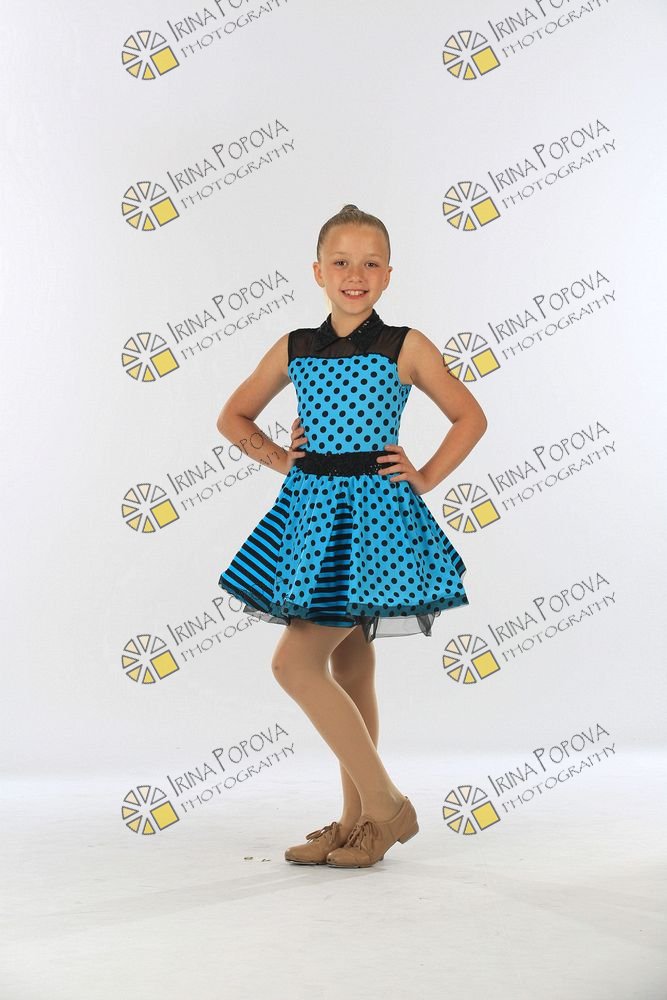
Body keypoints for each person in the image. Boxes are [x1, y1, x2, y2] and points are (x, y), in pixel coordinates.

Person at [216, 204, 487, 868]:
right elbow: (233, 416)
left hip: (373, 524)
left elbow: (469, 417)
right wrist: (281, 459)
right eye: (341, 262)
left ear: (388, 275)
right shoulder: (295, 348)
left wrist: (423, 477)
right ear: (318, 272)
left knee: (293, 664)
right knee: (348, 667)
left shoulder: (404, 345)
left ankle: (385, 807)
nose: (354, 274)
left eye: (370, 263)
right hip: (313, 518)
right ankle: (354, 822)